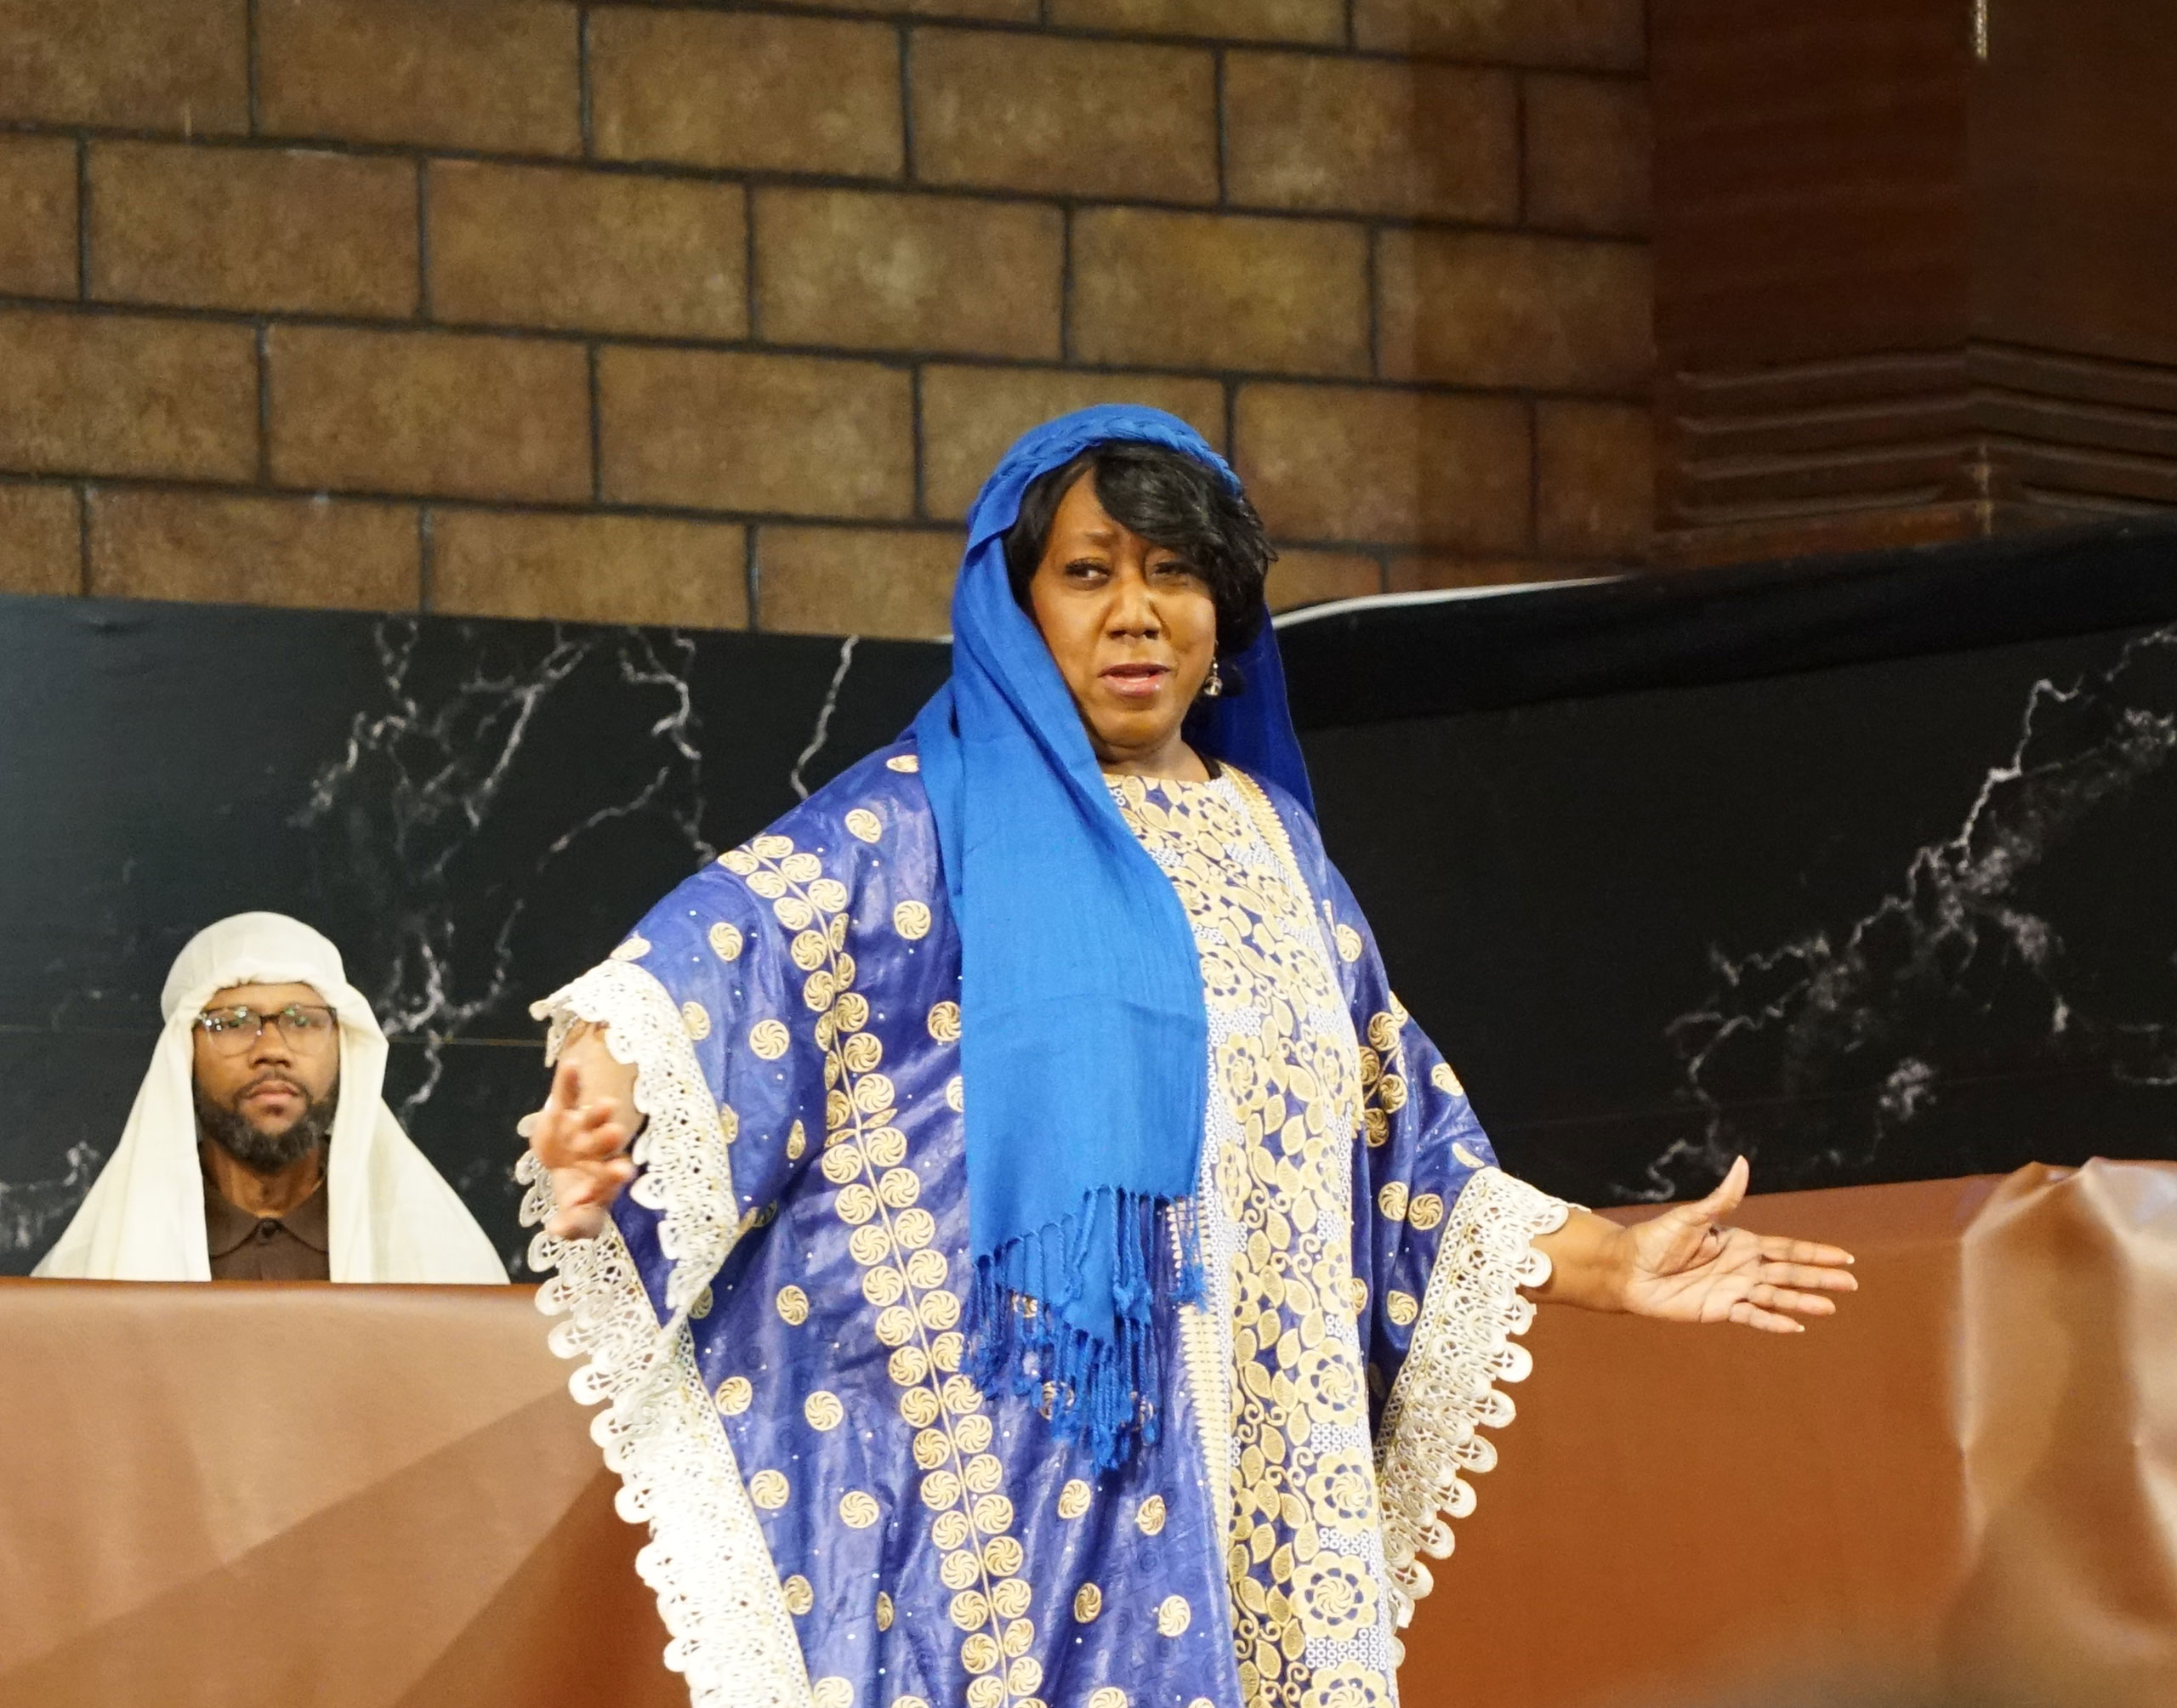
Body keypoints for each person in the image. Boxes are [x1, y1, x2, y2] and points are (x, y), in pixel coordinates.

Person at [522, 409, 1857, 1708]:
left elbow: (1404, 1151)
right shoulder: (926, 819)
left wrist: (1615, 1262)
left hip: (1271, 1484)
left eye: (1175, 573)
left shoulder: (1276, 842)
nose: (1136, 613)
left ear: (1225, 613)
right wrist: (608, 1081)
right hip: (1044, 1500)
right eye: (1088, 574)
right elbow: (730, 949)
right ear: (1017, 608)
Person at [36, 911, 506, 1283]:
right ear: (185, 1054)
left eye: (302, 1021)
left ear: (342, 1046)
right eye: (233, 1023)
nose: (272, 1050)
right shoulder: (92, 1267)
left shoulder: (441, 1258)